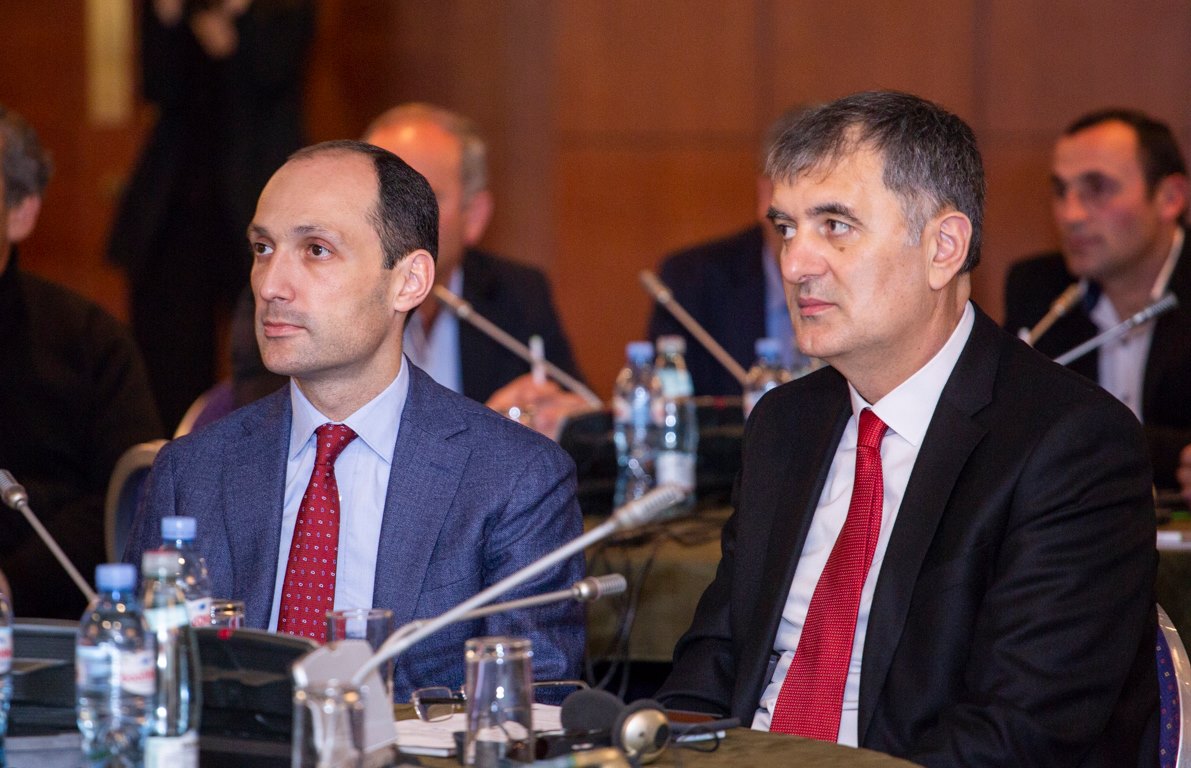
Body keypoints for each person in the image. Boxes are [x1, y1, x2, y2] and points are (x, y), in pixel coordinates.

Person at [656, 91, 1156, 765]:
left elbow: (1018, 734)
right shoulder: (785, 422)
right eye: (786, 228)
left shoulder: (1070, 443)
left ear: (943, 247)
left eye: (835, 225)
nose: (794, 263)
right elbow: (713, 663)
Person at [124, 140, 585, 700]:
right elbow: (136, 683)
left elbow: (529, 705)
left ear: (408, 281)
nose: (270, 285)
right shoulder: (191, 471)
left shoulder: (514, 478)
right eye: (263, 248)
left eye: (316, 250)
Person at [230, 103, 589, 439]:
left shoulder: (518, 293)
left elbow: (578, 414)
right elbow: (264, 435)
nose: (271, 285)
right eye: (262, 248)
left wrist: (562, 418)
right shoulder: (284, 300)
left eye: (421, 199)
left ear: (475, 215)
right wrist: (485, 430)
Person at [107, 0, 315, 429]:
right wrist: (170, 19)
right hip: (179, 199)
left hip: (259, 189)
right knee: (168, 354)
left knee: (272, 342)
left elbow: (273, 70)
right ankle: (172, 456)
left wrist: (239, 18)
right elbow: (156, 86)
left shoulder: (283, 10)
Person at [0, 104, 164, 619]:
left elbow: (130, 504)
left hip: (50, 624)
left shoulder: (90, 343)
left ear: (21, 211)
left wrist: (12, 582)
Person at [1004, 108, 1191, 493]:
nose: (1070, 214)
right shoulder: (1038, 290)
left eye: (1098, 189)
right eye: (1061, 191)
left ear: (1170, 198)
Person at [646, 107, 815, 396]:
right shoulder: (692, 280)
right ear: (767, 195)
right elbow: (671, 408)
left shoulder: (871, 282)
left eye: (834, 220)